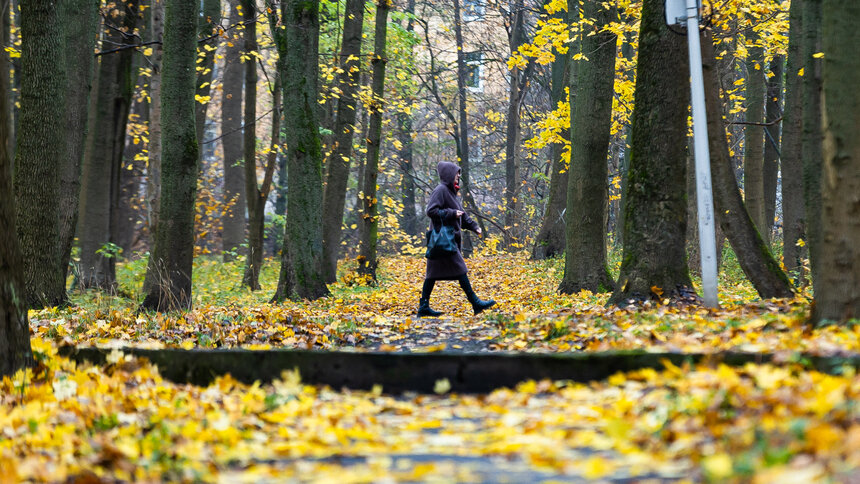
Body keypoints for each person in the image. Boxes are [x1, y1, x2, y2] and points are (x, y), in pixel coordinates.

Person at [418, 161, 496, 317]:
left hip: (446, 240)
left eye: (459, 173)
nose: (459, 176)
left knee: (432, 274)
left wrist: (475, 227)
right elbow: (431, 210)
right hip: (442, 238)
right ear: (448, 174)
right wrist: (451, 213)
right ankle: (475, 303)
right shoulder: (441, 190)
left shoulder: (451, 192)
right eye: (456, 173)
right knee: (460, 270)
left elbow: (462, 214)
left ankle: (424, 307)